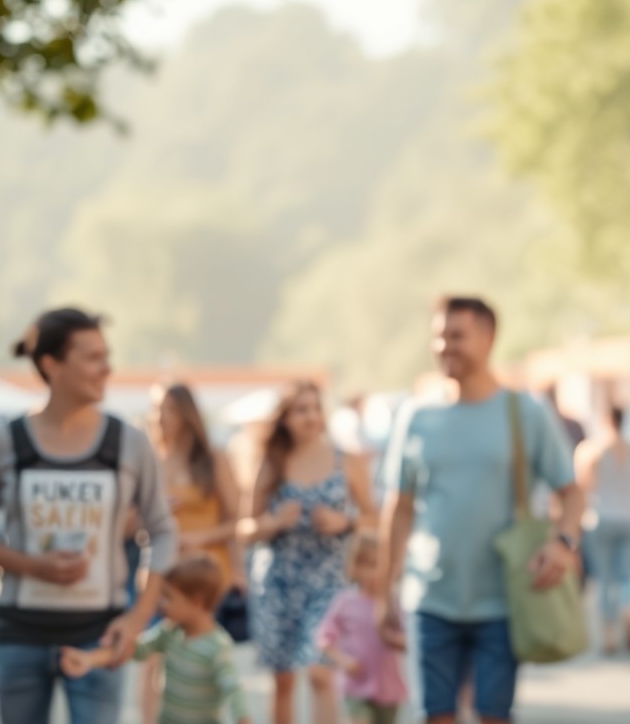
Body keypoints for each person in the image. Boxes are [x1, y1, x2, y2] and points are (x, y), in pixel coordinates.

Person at [0, 308, 178, 724]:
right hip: (18, 635)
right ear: (51, 364)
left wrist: (137, 619)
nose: (107, 368)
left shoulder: (128, 442)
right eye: (93, 357)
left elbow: (162, 532)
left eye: (107, 355)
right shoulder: (5, 443)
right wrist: (28, 565)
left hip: (99, 637)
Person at [377, 296, 584, 724]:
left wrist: (563, 543)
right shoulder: (416, 415)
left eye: (457, 336)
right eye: (438, 337)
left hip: (504, 598)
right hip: (429, 596)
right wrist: (383, 590)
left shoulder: (525, 412)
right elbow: (398, 507)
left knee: (493, 716)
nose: (444, 347)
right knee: (435, 717)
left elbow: (571, 491)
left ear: (488, 339)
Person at [245, 380, 376, 724]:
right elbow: (246, 527)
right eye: (301, 410)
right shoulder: (272, 463)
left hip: (327, 582)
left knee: (320, 671)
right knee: (283, 681)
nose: (311, 417)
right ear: (286, 418)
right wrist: (272, 522)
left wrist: (345, 522)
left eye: (316, 409)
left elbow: (376, 519)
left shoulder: (345, 461)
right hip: (277, 584)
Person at [138, 382, 246, 724]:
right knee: (153, 656)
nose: (158, 417)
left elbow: (237, 521)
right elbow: (135, 527)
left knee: (204, 657)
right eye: (155, 409)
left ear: (186, 414)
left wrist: (201, 539)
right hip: (160, 574)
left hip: (204, 575)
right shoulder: (151, 460)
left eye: (166, 409)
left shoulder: (214, 459)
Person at [61, 554, 250, 724]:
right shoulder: (170, 633)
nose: (162, 604)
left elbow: (233, 689)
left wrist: (243, 719)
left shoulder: (217, 646)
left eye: (169, 597)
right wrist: (89, 659)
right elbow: (134, 649)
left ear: (196, 601)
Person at [576, 405, 630, 655]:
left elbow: (581, 487)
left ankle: (609, 634)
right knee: (627, 574)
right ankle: (628, 609)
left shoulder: (590, 450)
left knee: (605, 578)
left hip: (601, 517)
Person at [318, 532, 408, 724]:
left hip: (387, 687)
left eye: (377, 565)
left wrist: (394, 639)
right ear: (354, 567)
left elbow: (409, 639)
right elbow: (324, 638)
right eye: (365, 565)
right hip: (355, 686)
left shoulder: (393, 603)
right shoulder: (345, 602)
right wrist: (343, 660)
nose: (372, 572)